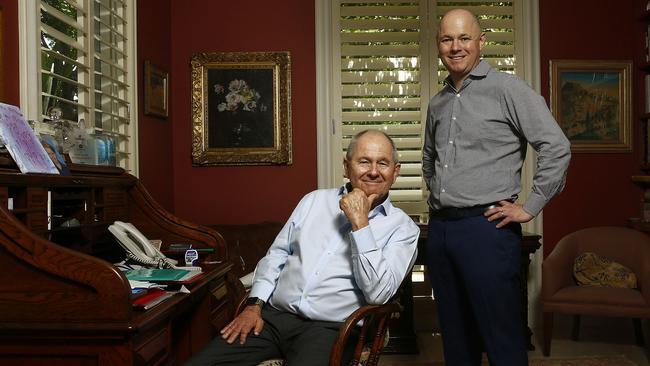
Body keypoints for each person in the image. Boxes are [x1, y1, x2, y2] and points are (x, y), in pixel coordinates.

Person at [186, 129, 419, 366]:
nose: (373, 171)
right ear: (346, 167)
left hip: (331, 330)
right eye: (364, 162)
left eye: (383, 163)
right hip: (272, 319)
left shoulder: (403, 229)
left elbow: (378, 295)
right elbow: (276, 255)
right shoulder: (313, 201)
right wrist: (254, 305)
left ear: (395, 172)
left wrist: (361, 224)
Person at [421, 9, 571, 366]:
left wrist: (530, 206)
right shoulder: (438, 102)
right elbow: (430, 158)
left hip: (486, 228)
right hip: (440, 231)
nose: (455, 47)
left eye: (464, 38)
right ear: (438, 45)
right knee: (455, 337)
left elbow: (557, 146)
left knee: (500, 337)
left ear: (481, 42)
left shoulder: (508, 89)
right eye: (447, 39)